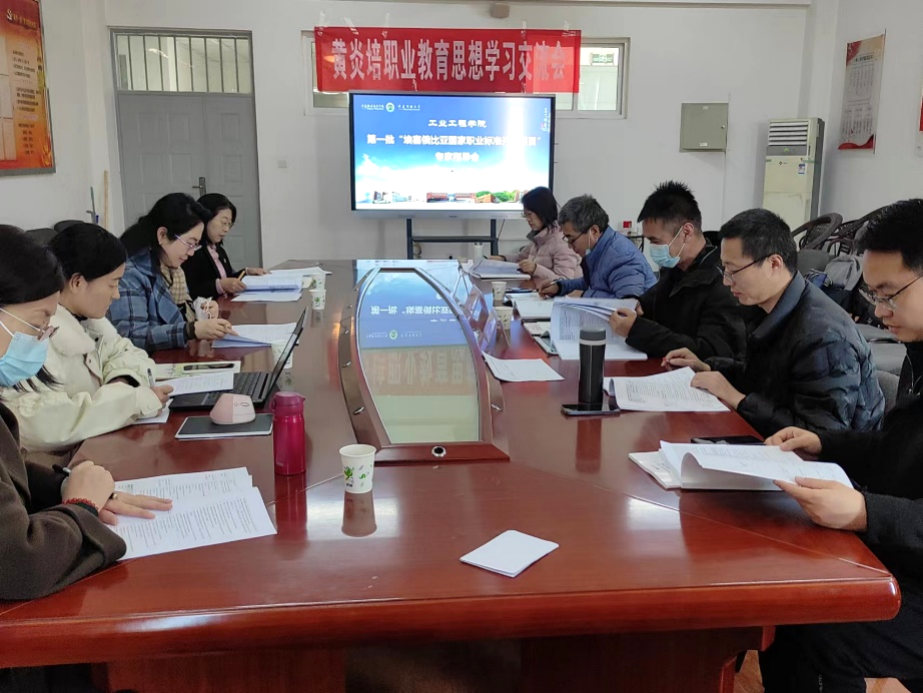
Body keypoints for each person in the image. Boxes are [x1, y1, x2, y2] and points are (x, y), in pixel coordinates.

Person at [760, 199, 923, 692]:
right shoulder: (919, 351)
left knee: (813, 624)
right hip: (904, 551)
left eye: (890, 294)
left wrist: (866, 512)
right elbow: (897, 452)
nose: (878, 310)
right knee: (786, 594)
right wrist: (824, 443)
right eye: (873, 294)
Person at [664, 208, 884, 437]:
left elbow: (819, 437)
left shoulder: (824, 336)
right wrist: (709, 367)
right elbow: (763, 378)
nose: (726, 281)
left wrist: (737, 399)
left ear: (774, 264)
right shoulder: (768, 305)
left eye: (734, 271)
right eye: (724, 269)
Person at [1, 224, 174, 462]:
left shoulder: (88, 322)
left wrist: (122, 382)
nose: (117, 295)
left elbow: (125, 350)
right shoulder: (31, 343)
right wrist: (128, 400)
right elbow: (37, 422)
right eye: (112, 284)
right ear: (77, 282)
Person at [608, 181, 746, 359]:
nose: (653, 248)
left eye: (656, 241)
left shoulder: (724, 282)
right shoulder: (675, 267)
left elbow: (709, 353)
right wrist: (635, 303)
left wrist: (637, 330)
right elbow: (650, 303)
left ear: (686, 232)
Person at [108, 193, 236, 352]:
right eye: (190, 243)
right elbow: (132, 337)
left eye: (195, 245)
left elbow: (182, 311)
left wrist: (203, 310)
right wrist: (190, 330)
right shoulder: (130, 274)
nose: (191, 252)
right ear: (162, 235)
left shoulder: (174, 271)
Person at [539, 194, 656, 299]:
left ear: (594, 231)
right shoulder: (601, 248)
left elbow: (627, 303)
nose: (570, 246)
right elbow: (592, 283)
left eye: (572, 239)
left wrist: (584, 296)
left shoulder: (621, 256)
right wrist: (560, 287)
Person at [182, 193, 267, 300]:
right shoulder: (191, 252)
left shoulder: (218, 249)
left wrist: (246, 272)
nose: (226, 229)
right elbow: (190, 290)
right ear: (205, 218)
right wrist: (219, 286)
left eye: (229, 224)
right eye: (223, 222)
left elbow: (227, 279)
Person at [491, 187, 581, 283]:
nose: (527, 219)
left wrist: (535, 269)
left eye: (530, 214)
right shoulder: (540, 237)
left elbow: (565, 283)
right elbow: (520, 258)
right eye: (525, 215)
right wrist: (501, 259)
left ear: (543, 211)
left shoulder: (562, 242)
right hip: (537, 290)